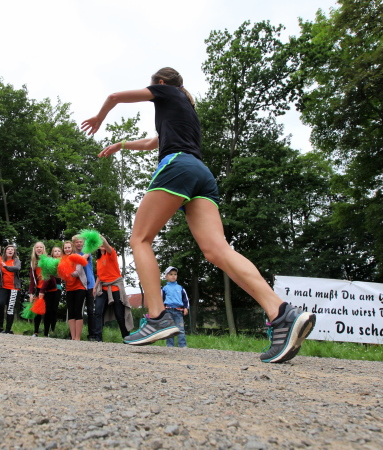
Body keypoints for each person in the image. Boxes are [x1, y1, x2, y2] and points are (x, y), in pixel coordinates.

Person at [82, 67, 316, 362]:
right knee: (218, 250)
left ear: (161, 83)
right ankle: (281, 313)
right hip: (201, 175)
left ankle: (157, 316)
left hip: (177, 167)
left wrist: (99, 117)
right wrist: (122, 145)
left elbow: (115, 96)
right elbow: (154, 142)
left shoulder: (166, 91)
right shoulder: (187, 110)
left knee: (140, 239)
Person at [92, 236, 132, 342]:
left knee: (119, 314)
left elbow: (107, 245)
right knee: (98, 311)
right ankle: (97, 337)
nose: (102, 245)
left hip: (115, 287)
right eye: (99, 243)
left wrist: (100, 237)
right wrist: (95, 287)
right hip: (103, 288)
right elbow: (99, 276)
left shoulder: (111, 253)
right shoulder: (98, 260)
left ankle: (126, 338)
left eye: (103, 243)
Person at [73, 235, 97, 341]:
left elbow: (83, 259)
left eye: (80, 242)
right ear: (74, 244)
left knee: (91, 310)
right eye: (76, 242)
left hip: (90, 284)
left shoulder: (87, 252)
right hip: (79, 285)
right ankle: (74, 334)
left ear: (83, 243)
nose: (79, 244)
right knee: (77, 309)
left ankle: (92, 334)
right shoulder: (73, 254)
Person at [62, 241, 87, 341]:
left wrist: (67, 273)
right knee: (71, 312)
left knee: (77, 311)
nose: (67, 249)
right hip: (69, 288)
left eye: (69, 247)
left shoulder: (77, 257)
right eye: (65, 248)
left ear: (72, 248)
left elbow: (78, 272)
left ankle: (78, 337)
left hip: (79, 287)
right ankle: (73, 337)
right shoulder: (63, 260)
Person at [161, 266, 189, 348]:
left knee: (180, 328)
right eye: (171, 274)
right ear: (166, 276)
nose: (173, 276)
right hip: (168, 310)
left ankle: (182, 345)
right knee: (169, 328)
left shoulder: (180, 288)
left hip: (178, 311)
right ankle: (170, 345)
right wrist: (161, 309)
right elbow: (161, 299)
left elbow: (185, 298)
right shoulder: (164, 288)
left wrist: (186, 307)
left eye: (175, 274)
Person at [0, 245, 21, 334]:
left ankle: (8, 329)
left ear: (14, 252)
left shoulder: (16, 261)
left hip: (14, 288)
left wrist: (6, 266)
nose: (10, 251)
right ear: (5, 251)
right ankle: (0, 327)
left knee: (10, 308)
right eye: (8, 249)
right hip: (3, 287)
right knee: (0, 304)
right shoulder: (1, 261)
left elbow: (17, 268)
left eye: (12, 250)